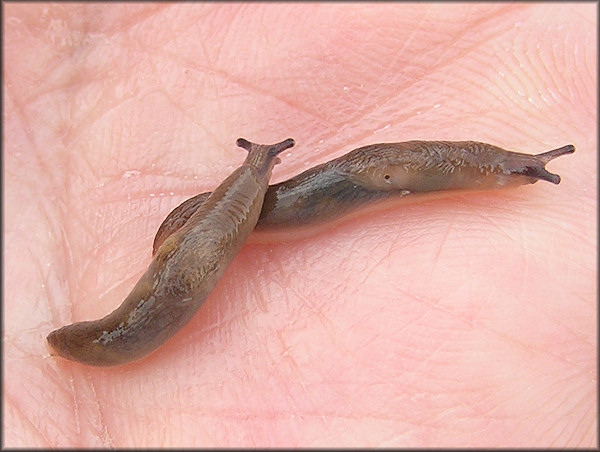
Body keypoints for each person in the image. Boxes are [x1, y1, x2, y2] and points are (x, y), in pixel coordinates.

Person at [3, 3, 596, 447]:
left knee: (323, 188)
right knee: (259, 220)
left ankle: (501, 164)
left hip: (217, 217)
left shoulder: (392, 168)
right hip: (175, 259)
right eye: (501, 167)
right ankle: (492, 165)